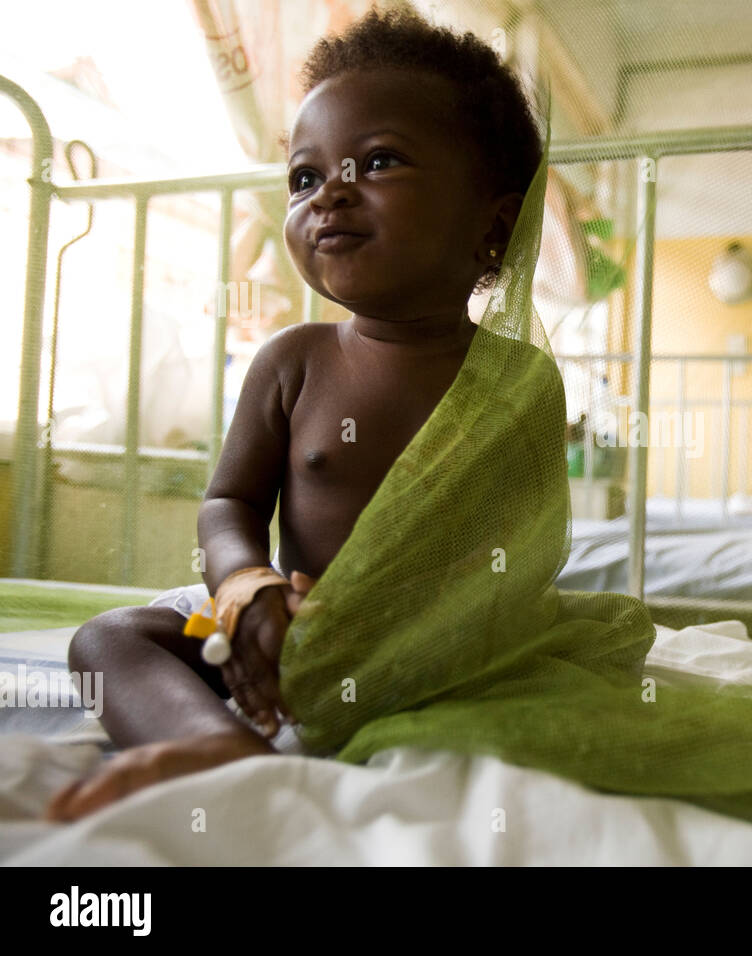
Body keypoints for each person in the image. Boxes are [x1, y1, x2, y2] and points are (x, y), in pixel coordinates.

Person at [45, 10, 541, 821]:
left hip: (438, 648)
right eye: (304, 178)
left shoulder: (516, 381)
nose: (331, 193)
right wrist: (249, 590)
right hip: (287, 625)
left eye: (378, 162)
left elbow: (518, 552)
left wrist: (403, 629)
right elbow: (228, 503)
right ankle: (221, 747)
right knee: (108, 640)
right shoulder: (292, 361)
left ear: (492, 225)